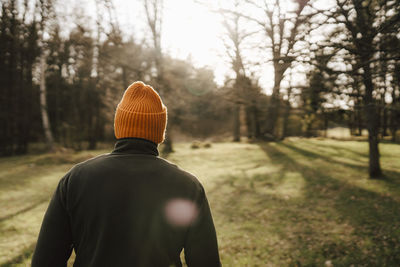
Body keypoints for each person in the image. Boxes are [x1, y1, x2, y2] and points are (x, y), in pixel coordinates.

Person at [31, 81, 221, 267]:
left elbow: (45, 260)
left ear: (119, 126)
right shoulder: (188, 185)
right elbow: (206, 261)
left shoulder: (75, 179)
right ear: (159, 131)